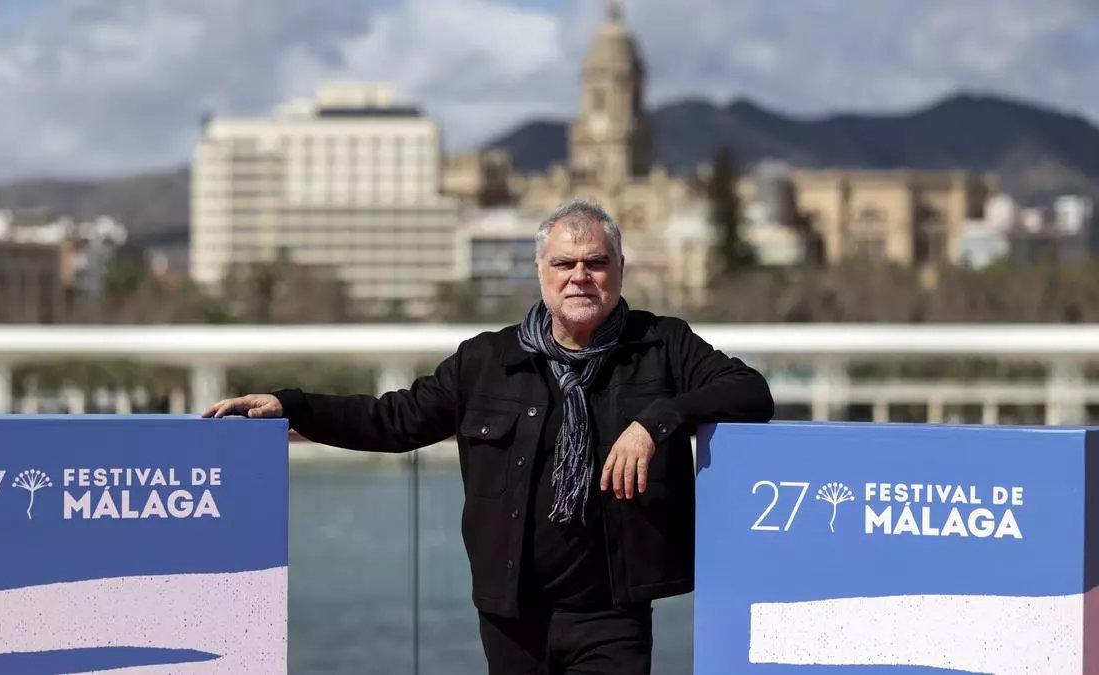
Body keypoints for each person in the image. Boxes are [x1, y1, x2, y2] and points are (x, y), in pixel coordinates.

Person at [204, 198, 774, 674]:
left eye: (596, 262)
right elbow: (394, 420)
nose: (580, 276)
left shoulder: (664, 345)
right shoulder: (487, 360)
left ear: (620, 268)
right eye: (564, 263)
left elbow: (750, 392)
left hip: (613, 616)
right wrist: (291, 407)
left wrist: (655, 422)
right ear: (541, 272)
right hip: (511, 616)